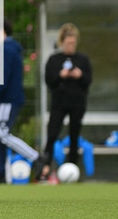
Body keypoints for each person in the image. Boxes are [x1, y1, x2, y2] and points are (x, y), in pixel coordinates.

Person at [0, 19, 38, 181]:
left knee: (2, 134)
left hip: (8, 99)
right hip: (8, 98)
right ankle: (0, 172)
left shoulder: (5, 49)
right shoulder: (10, 49)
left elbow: (3, 77)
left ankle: (35, 158)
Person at [39, 23, 92, 181]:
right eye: (68, 43)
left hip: (77, 104)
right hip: (59, 104)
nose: (70, 45)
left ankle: (72, 170)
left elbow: (88, 81)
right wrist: (61, 75)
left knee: (74, 136)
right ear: (62, 42)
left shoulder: (83, 60)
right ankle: (44, 169)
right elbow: (49, 81)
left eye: (73, 43)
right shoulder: (54, 60)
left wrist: (80, 75)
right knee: (52, 134)